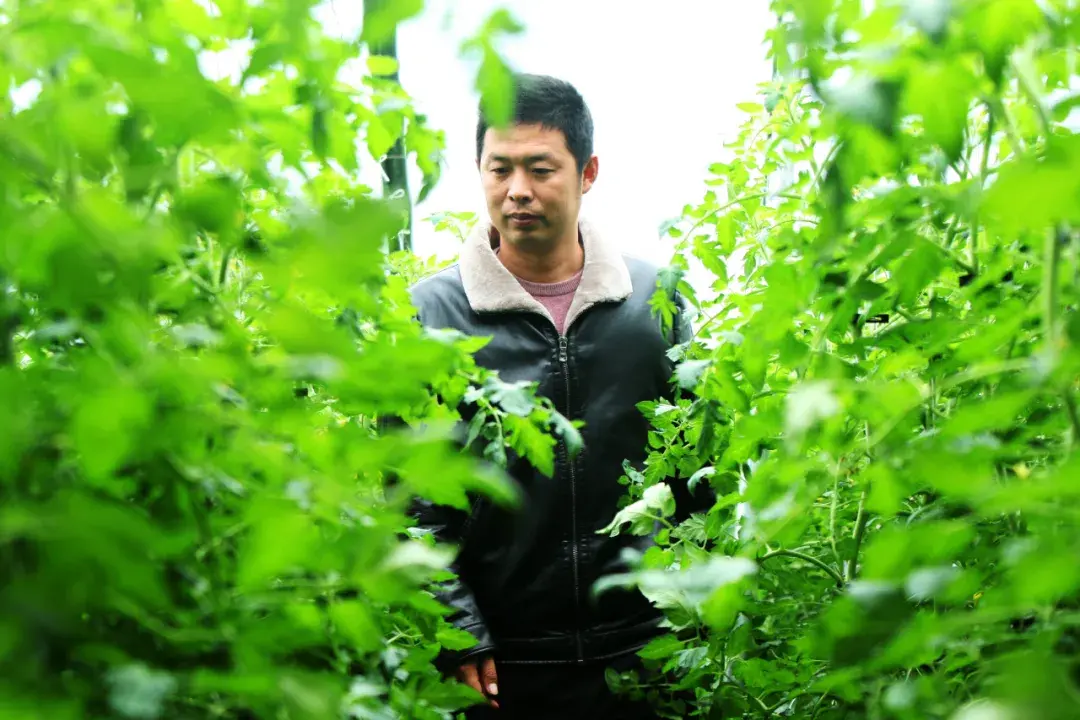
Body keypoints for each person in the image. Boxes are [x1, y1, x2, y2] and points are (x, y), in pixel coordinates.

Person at [407, 73, 707, 719]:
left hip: (648, 652)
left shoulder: (655, 303)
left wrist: (697, 611)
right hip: (501, 669)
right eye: (499, 169)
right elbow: (413, 497)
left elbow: (700, 471)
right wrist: (455, 633)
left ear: (587, 171)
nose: (517, 191)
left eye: (541, 169)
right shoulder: (432, 316)